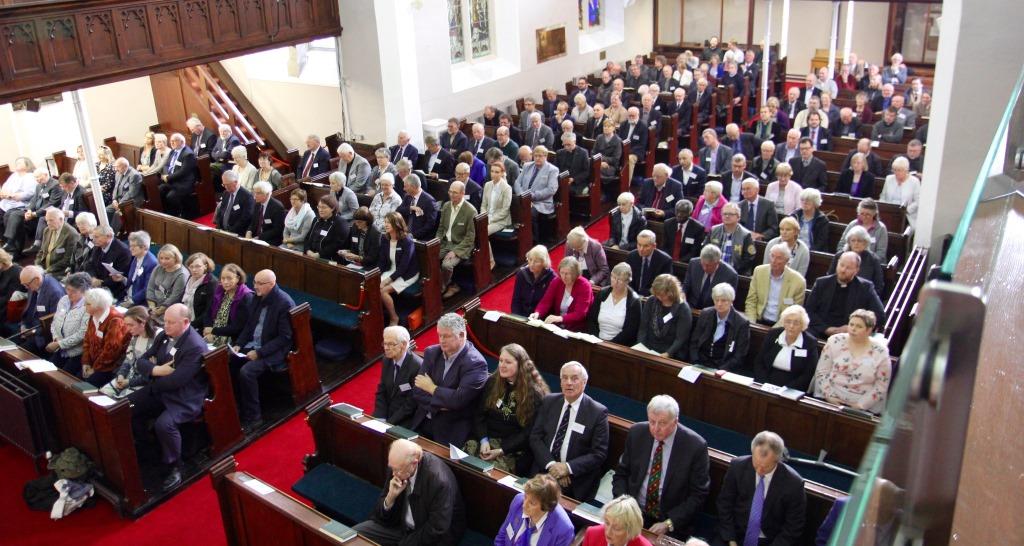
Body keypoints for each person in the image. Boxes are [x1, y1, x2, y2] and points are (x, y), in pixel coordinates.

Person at [129, 302, 210, 490]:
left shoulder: (195, 346)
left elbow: (177, 381)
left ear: (185, 322)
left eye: (171, 323)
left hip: (184, 396)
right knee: (128, 407)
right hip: (160, 388)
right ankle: (147, 448)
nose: (165, 326)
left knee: (164, 424)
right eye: (165, 321)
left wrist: (151, 376)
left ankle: (174, 465)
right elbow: (140, 361)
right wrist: (157, 369)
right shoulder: (165, 336)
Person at [613, 395, 710, 536]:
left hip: (669, 520)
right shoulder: (637, 432)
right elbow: (621, 474)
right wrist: (624, 505)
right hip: (632, 510)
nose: (656, 428)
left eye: (662, 423)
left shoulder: (695, 446)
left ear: (675, 421)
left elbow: (698, 495)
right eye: (652, 421)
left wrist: (669, 523)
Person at [354, 439, 466, 546]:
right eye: (392, 468)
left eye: (397, 470)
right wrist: (390, 498)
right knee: (355, 536)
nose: (393, 474)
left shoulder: (439, 481)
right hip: (400, 526)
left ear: (414, 463)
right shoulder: (397, 466)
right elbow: (380, 517)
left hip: (431, 538)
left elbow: (436, 529)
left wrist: (404, 544)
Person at [530, 361, 609, 501]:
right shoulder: (549, 401)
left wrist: (567, 468)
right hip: (544, 468)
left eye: (574, 378)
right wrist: (553, 466)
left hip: (575, 479)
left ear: (584, 382)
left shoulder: (597, 412)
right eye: (564, 378)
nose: (568, 383)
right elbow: (535, 437)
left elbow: (599, 454)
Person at [465, 343, 549, 474]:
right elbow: (479, 414)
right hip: (486, 439)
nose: (502, 365)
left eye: (508, 362)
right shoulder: (493, 381)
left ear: (520, 365)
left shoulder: (534, 394)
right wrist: (483, 440)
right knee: (464, 462)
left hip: (512, 447)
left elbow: (528, 433)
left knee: (492, 473)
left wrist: (501, 450)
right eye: (500, 360)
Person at [230, 269, 295, 431]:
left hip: (273, 351)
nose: (256, 287)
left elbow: (284, 338)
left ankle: (254, 416)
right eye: (255, 283)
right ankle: (237, 405)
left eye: (260, 284)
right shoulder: (257, 298)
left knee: (247, 372)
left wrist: (259, 353)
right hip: (255, 344)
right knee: (228, 361)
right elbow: (249, 324)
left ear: (272, 284)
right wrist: (239, 343)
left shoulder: (284, 303)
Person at [716, 431, 807, 545]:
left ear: (777, 460)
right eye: (756, 464)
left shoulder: (794, 484)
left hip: (770, 541)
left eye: (765, 467)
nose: (759, 471)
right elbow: (724, 504)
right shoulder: (737, 466)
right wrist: (731, 539)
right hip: (735, 534)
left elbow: (793, 526)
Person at [410, 313, 488, 446]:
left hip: (450, 430)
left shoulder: (475, 363)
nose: (441, 340)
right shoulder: (432, 353)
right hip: (422, 420)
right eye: (440, 335)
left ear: (462, 335)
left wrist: (432, 388)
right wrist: (443, 404)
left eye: (446, 336)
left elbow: (458, 401)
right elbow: (417, 391)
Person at [814, 309, 891, 413]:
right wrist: (829, 396)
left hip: (863, 404)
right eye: (851, 324)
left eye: (859, 326)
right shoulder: (834, 341)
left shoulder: (881, 351)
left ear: (869, 330)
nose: (853, 329)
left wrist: (860, 405)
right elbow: (821, 371)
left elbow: (881, 385)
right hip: (830, 397)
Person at [805, 252, 886, 338]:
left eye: (848, 268)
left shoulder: (865, 288)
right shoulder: (822, 283)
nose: (843, 270)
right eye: (841, 265)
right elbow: (809, 310)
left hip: (850, 334)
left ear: (856, 270)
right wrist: (826, 329)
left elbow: (880, 316)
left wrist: (853, 326)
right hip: (820, 330)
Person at [752, 305, 819, 391]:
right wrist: (763, 383)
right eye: (788, 321)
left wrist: (787, 389)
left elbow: (808, 374)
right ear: (783, 322)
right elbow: (759, 362)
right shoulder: (773, 334)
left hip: (793, 386)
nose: (791, 326)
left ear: (803, 325)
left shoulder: (809, 342)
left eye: (796, 323)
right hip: (767, 380)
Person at [494, 474, 574, 546]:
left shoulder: (563, 529)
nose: (524, 504)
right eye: (525, 497)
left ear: (546, 506)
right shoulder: (518, 501)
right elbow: (501, 537)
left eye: (532, 503)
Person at [99, 305, 160, 399]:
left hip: (143, 383)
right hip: (128, 377)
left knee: (119, 404)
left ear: (143, 323)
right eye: (126, 325)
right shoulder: (135, 335)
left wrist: (128, 382)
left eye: (131, 325)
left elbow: (151, 372)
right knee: (102, 394)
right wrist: (121, 375)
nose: (127, 329)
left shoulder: (158, 338)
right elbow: (128, 359)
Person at [689, 282, 750, 372]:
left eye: (723, 300)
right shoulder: (706, 313)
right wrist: (695, 361)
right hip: (700, 363)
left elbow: (739, 355)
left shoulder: (741, 323)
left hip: (723, 368)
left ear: (731, 301)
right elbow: (694, 342)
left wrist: (722, 369)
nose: (719, 304)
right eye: (716, 300)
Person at [3, 169, 61, 258]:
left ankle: (12, 245)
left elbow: (52, 204)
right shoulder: (39, 186)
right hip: (34, 212)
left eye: (38, 177)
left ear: (45, 174)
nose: (36, 179)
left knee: (15, 216)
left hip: (45, 213)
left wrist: (35, 214)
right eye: (35, 177)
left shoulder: (55, 185)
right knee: (12, 214)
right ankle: (12, 245)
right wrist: (29, 210)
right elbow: (33, 200)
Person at [746, 244, 807, 327]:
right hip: (758, 319)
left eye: (779, 258)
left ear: (787, 260)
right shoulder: (759, 271)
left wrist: (773, 331)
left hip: (782, 324)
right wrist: (752, 323)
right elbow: (751, 301)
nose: (774, 260)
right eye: (772, 256)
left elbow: (794, 312)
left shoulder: (798, 282)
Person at [80, 287, 130, 388]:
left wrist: (94, 369)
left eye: (88, 304)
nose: (84, 305)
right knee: (73, 378)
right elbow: (87, 340)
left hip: (109, 367)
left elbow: (111, 351)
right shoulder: (93, 315)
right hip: (94, 362)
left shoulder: (115, 320)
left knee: (86, 386)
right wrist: (86, 362)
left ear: (98, 306)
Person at [373, 325, 421, 428]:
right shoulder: (387, 360)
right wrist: (379, 417)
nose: (386, 348)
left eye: (391, 344)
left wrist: (389, 423)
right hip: (386, 414)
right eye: (385, 343)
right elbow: (382, 391)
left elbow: (410, 405)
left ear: (403, 345)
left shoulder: (417, 366)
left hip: (405, 419)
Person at [436, 181, 477, 299]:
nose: (451, 195)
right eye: (450, 191)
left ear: (463, 193)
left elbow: (470, 237)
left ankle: (443, 286)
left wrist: (455, 251)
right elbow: (441, 228)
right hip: (444, 243)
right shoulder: (446, 206)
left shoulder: (470, 211)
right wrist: (436, 242)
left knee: (446, 265)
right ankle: (447, 283)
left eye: (455, 192)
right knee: (429, 259)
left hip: (459, 245)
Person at [530, 257, 594, 332]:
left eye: (567, 274)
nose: (563, 277)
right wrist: (538, 313)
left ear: (575, 274)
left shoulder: (584, 285)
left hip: (577, 329)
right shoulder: (557, 281)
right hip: (558, 326)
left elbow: (580, 314)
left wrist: (559, 318)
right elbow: (546, 302)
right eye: (562, 273)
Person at [636, 274, 691, 360]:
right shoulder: (651, 301)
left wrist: (668, 353)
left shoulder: (683, 309)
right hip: (648, 348)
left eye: (662, 295)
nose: (659, 297)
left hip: (669, 352)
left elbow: (680, 338)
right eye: (657, 294)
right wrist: (640, 346)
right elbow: (643, 328)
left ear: (671, 292)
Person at [378, 213, 419, 326]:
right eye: (385, 222)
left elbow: (403, 267)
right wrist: (376, 276)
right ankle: (378, 316)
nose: (386, 225)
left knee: (383, 291)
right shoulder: (385, 238)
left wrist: (387, 280)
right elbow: (382, 262)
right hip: (391, 270)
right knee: (372, 286)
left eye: (389, 222)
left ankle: (394, 317)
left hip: (407, 274)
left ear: (397, 224)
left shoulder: (407, 241)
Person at [46, 272, 91, 375]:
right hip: (59, 348)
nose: (69, 294)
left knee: (62, 377)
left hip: (77, 353)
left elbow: (83, 333)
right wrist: (56, 338)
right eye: (68, 289)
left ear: (85, 292)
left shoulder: (88, 305)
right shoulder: (64, 300)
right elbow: (55, 322)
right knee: (47, 372)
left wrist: (59, 344)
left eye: (74, 291)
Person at [587, 262, 642, 346]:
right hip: (596, 341)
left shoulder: (633, 301)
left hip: (618, 346)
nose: (615, 282)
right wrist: (596, 339)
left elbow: (630, 332)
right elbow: (592, 320)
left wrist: (610, 345)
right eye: (614, 278)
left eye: (620, 280)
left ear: (627, 281)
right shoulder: (602, 293)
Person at [515, 146, 559, 244]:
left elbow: (551, 190)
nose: (537, 158)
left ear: (545, 156)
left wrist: (531, 197)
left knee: (529, 212)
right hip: (524, 199)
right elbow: (517, 183)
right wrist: (523, 196)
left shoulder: (552, 170)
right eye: (535, 156)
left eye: (540, 156)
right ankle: (518, 238)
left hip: (541, 202)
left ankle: (534, 240)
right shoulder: (527, 166)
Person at [201, 263, 253, 348]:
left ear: (237, 278)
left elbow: (238, 327)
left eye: (229, 278)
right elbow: (208, 313)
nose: (225, 282)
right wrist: (208, 327)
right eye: (223, 278)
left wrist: (213, 331)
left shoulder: (246, 296)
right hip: (213, 334)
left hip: (233, 341)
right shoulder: (219, 291)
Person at [19, 265, 63, 353]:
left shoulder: (55, 292)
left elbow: (53, 322)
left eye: (27, 285)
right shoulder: (33, 284)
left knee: (19, 353)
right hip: (29, 330)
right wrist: (23, 325)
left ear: (36, 280)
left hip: (42, 336)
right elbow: (29, 309)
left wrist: (33, 332)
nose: (26, 288)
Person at [829, 226, 885, 296]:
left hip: (863, 297)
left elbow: (879, 285)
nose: (856, 243)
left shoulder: (873, 259)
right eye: (853, 240)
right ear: (849, 242)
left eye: (859, 241)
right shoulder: (839, 256)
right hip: (839, 294)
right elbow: (830, 277)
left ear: (865, 242)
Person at [703, 203, 756, 275]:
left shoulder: (746, 235)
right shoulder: (714, 230)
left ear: (738, 217)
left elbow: (749, 258)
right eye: (724, 214)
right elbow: (705, 249)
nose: (727, 216)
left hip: (734, 273)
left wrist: (733, 272)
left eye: (731, 214)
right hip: (712, 270)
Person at [682, 245, 739, 310]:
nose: (705, 268)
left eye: (709, 265)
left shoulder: (730, 275)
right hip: (690, 308)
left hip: (713, 312)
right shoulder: (693, 263)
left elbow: (728, 302)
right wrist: (682, 294)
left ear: (717, 262)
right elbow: (686, 286)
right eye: (703, 264)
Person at [85, 225, 132, 300]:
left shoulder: (123, 251)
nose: (93, 240)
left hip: (114, 290)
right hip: (95, 285)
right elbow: (90, 265)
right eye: (93, 237)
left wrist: (101, 283)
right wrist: (92, 278)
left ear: (109, 236)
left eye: (96, 237)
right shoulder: (97, 246)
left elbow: (119, 275)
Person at [581, 496, 652, 546]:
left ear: (630, 530)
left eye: (616, 528)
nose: (608, 532)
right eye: (607, 523)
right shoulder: (592, 534)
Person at [113, 231, 157, 307]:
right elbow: (133, 281)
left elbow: (147, 289)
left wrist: (131, 301)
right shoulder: (136, 258)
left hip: (139, 303)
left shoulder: (151, 263)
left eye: (133, 246)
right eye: (130, 246)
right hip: (127, 297)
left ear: (144, 247)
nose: (130, 249)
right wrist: (123, 279)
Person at [146, 244, 188, 324]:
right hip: (153, 307)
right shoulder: (158, 268)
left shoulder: (181, 275)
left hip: (169, 311)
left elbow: (174, 298)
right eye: (161, 258)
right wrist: (152, 307)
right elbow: (150, 288)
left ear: (176, 258)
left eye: (167, 258)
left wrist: (158, 312)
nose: (163, 261)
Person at [159, 133, 198, 218]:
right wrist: (165, 175)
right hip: (173, 180)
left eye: (174, 141)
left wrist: (168, 178)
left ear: (182, 142)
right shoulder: (173, 151)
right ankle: (166, 212)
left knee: (171, 196)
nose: (172, 143)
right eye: (171, 141)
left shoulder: (188, 154)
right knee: (160, 189)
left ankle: (178, 215)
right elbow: (167, 165)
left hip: (183, 182)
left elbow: (183, 172)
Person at [35, 207, 81, 276]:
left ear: (61, 219)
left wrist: (47, 271)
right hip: (45, 269)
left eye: (51, 220)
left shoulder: (71, 234)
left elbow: (67, 260)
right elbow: (42, 251)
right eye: (47, 220)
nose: (48, 223)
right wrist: (37, 266)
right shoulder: (47, 230)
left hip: (60, 271)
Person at [512, 245, 555, 317]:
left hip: (541, 318)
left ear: (544, 262)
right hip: (522, 315)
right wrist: (517, 318)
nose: (531, 264)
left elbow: (549, 304)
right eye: (530, 259)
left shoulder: (552, 278)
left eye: (536, 261)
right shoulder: (522, 274)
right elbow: (516, 300)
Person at [879, 156, 921, 230]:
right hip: (889, 212)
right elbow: (883, 196)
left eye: (899, 170)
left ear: (906, 170)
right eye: (894, 170)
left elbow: (917, 201)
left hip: (906, 215)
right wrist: (884, 209)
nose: (896, 173)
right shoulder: (889, 179)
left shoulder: (914, 181)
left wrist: (905, 211)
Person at [626, 230, 671, 297]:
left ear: (654, 246)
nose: (641, 249)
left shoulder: (665, 261)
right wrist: (633, 294)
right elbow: (627, 279)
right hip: (632, 296)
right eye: (639, 245)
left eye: (646, 246)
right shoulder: (631, 256)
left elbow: (664, 285)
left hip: (653, 298)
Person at [305, 195, 350, 260]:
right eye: (319, 207)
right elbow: (308, 237)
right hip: (310, 255)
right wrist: (307, 250)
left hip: (329, 259)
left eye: (323, 207)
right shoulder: (316, 219)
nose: (320, 210)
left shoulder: (340, 223)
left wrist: (319, 254)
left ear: (333, 208)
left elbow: (336, 245)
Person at [180, 252, 217, 328]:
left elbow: (209, 311)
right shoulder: (190, 278)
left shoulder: (212, 283)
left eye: (198, 266)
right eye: (191, 266)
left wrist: (191, 325)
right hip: (185, 319)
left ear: (205, 266)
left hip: (200, 325)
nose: (194, 270)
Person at [244, 181, 286, 246]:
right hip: (255, 238)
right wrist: (249, 231)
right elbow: (253, 222)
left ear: (267, 194)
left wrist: (259, 237)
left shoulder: (277, 207)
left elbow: (277, 230)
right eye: (254, 193)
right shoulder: (257, 204)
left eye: (258, 193)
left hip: (270, 240)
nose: (255, 196)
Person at [108, 158, 144, 233]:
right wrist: (114, 199)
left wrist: (120, 203)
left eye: (117, 167)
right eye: (115, 167)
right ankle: (107, 230)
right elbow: (115, 188)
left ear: (124, 166)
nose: (115, 169)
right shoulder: (118, 173)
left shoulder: (134, 175)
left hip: (131, 201)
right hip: (118, 200)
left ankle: (113, 234)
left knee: (117, 214)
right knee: (107, 210)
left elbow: (132, 193)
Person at [214, 170, 254, 237]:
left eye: (227, 185)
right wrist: (218, 227)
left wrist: (230, 231)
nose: (225, 187)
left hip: (236, 233)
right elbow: (221, 211)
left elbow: (245, 218)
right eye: (224, 184)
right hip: (222, 231)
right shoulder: (225, 193)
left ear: (235, 182)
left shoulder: (247, 196)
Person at [791, 188, 829, 252]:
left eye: (808, 200)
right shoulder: (794, 215)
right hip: (792, 249)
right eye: (802, 200)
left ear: (815, 202)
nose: (804, 202)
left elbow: (820, 242)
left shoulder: (822, 220)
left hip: (811, 252)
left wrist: (808, 252)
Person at [481, 160, 513, 235]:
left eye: (497, 172)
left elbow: (505, 210)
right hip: (487, 218)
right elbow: (483, 205)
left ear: (502, 173)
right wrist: (483, 218)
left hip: (500, 221)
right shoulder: (487, 185)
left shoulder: (507, 188)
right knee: (472, 230)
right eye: (492, 171)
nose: (493, 174)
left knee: (482, 232)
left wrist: (490, 219)